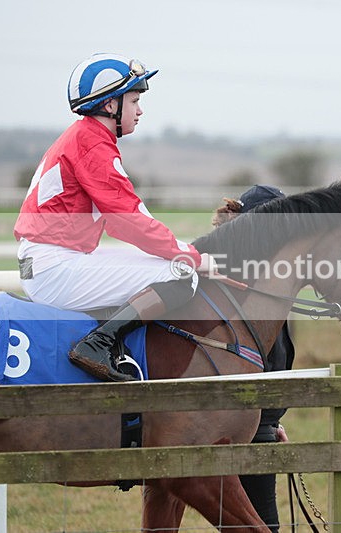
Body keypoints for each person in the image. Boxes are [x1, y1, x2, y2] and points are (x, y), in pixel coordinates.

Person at [13, 53, 215, 382]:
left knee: (168, 264)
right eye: (134, 100)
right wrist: (191, 257)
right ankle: (98, 344)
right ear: (110, 106)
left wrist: (179, 248)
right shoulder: (92, 144)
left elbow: (129, 213)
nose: (140, 109)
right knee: (181, 275)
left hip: (49, 258)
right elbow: (127, 220)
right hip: (54, 265)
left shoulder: (85, 137)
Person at [212, 185, 294, 532]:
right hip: (238, 431)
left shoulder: (264, 286)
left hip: (256, 426)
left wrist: (272, 420)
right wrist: (263, 422)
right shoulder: (236, 286)